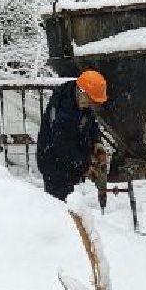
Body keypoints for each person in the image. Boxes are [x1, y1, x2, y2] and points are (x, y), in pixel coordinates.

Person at [35, 68, 111, 201]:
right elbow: (63, 145)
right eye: (91, 100)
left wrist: (97, 142)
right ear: (81, 91)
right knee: (59, 203)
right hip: (54, 162)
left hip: (71, 157)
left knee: (72, 199)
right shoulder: (63, 111)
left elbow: (91, 123)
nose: (92, 104)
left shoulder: (80, 98)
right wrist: (85, 166)